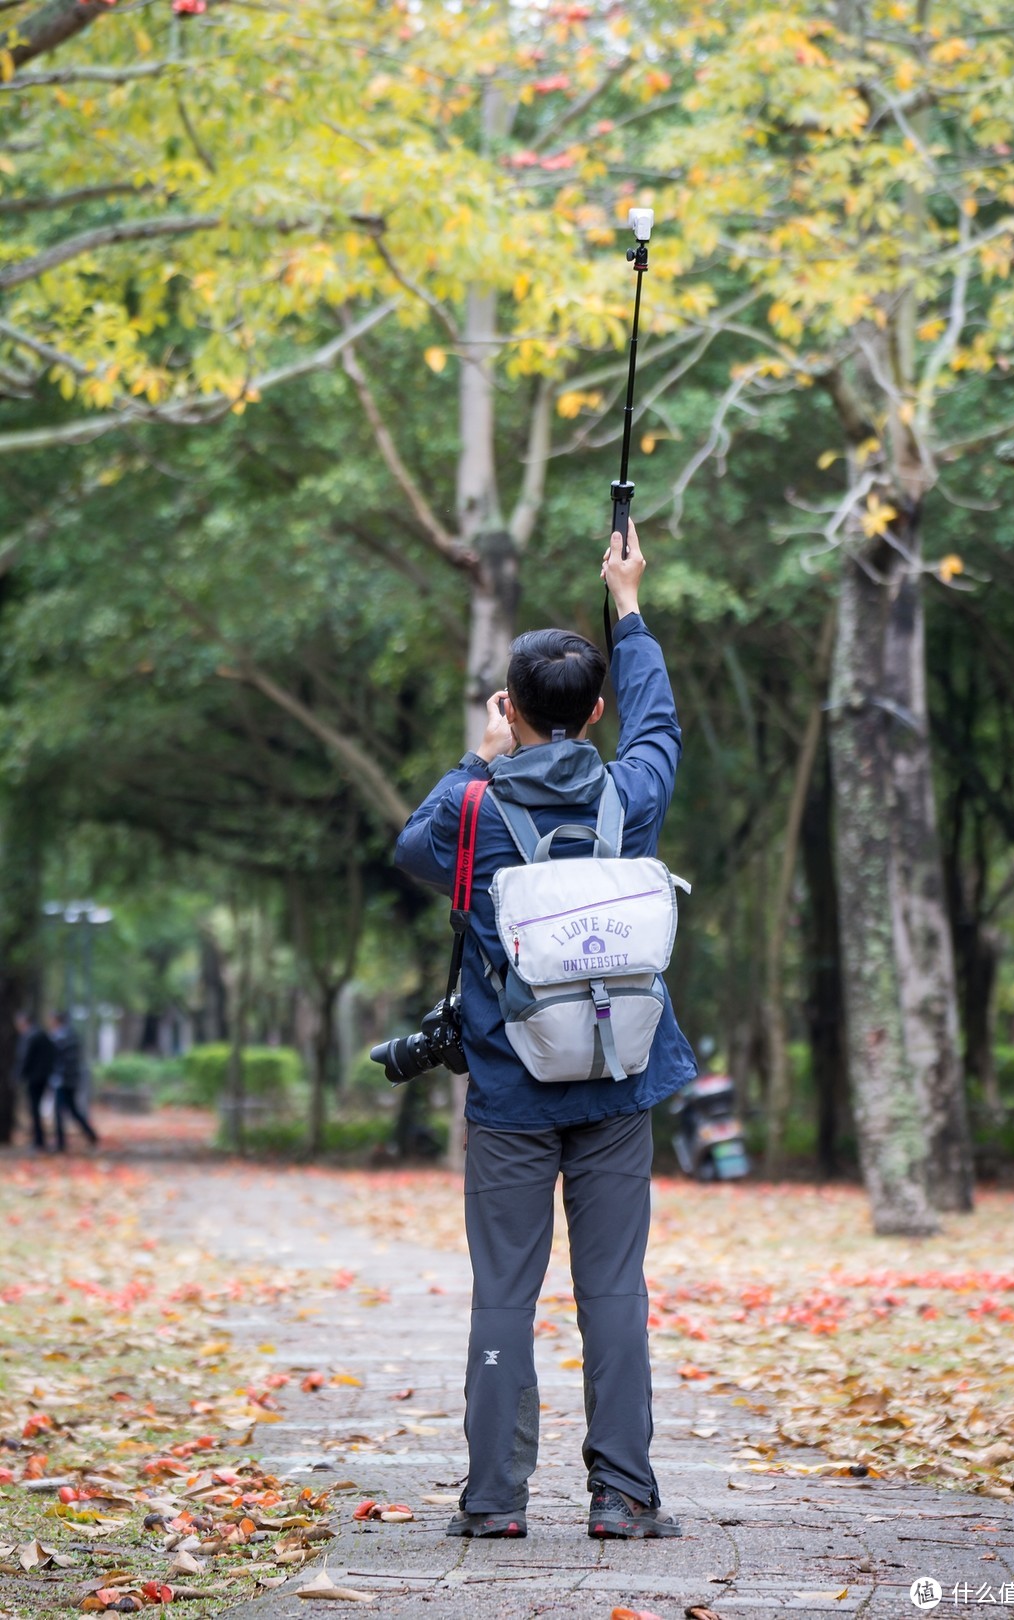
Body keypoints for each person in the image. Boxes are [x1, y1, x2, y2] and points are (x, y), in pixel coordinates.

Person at [395, 519, 696, 1541]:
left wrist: (473, 763)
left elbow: (413, 849)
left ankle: (492, 1502)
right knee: (612, 1288)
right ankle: (623, 1497)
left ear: (509, 710)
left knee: (502, 1298)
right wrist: (630, 605)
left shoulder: (471, 813)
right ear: (593, 710)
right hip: (617, 1079)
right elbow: (660, 726)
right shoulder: (629, 795)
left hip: (511, 1096)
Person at [48, 1011, 98, 1152]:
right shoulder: (71, 1035)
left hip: (62, 1080)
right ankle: (90, 1133)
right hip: (71, 1079)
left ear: (56, 1020)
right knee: (73, 1110)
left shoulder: (60, 1037)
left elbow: (58, 1059)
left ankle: (60, 1143)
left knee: (59, 1111)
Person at [15, 1012, 57, 1152]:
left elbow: (24, 1058)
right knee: (35, 1109)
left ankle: (38, 1141)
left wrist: (18, 1075)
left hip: (34, 1078)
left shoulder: (30, 1036)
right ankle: (38, 1139)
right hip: (43, 1077)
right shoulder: (43, 1035)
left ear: (24, 1022)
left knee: (34, 1109)